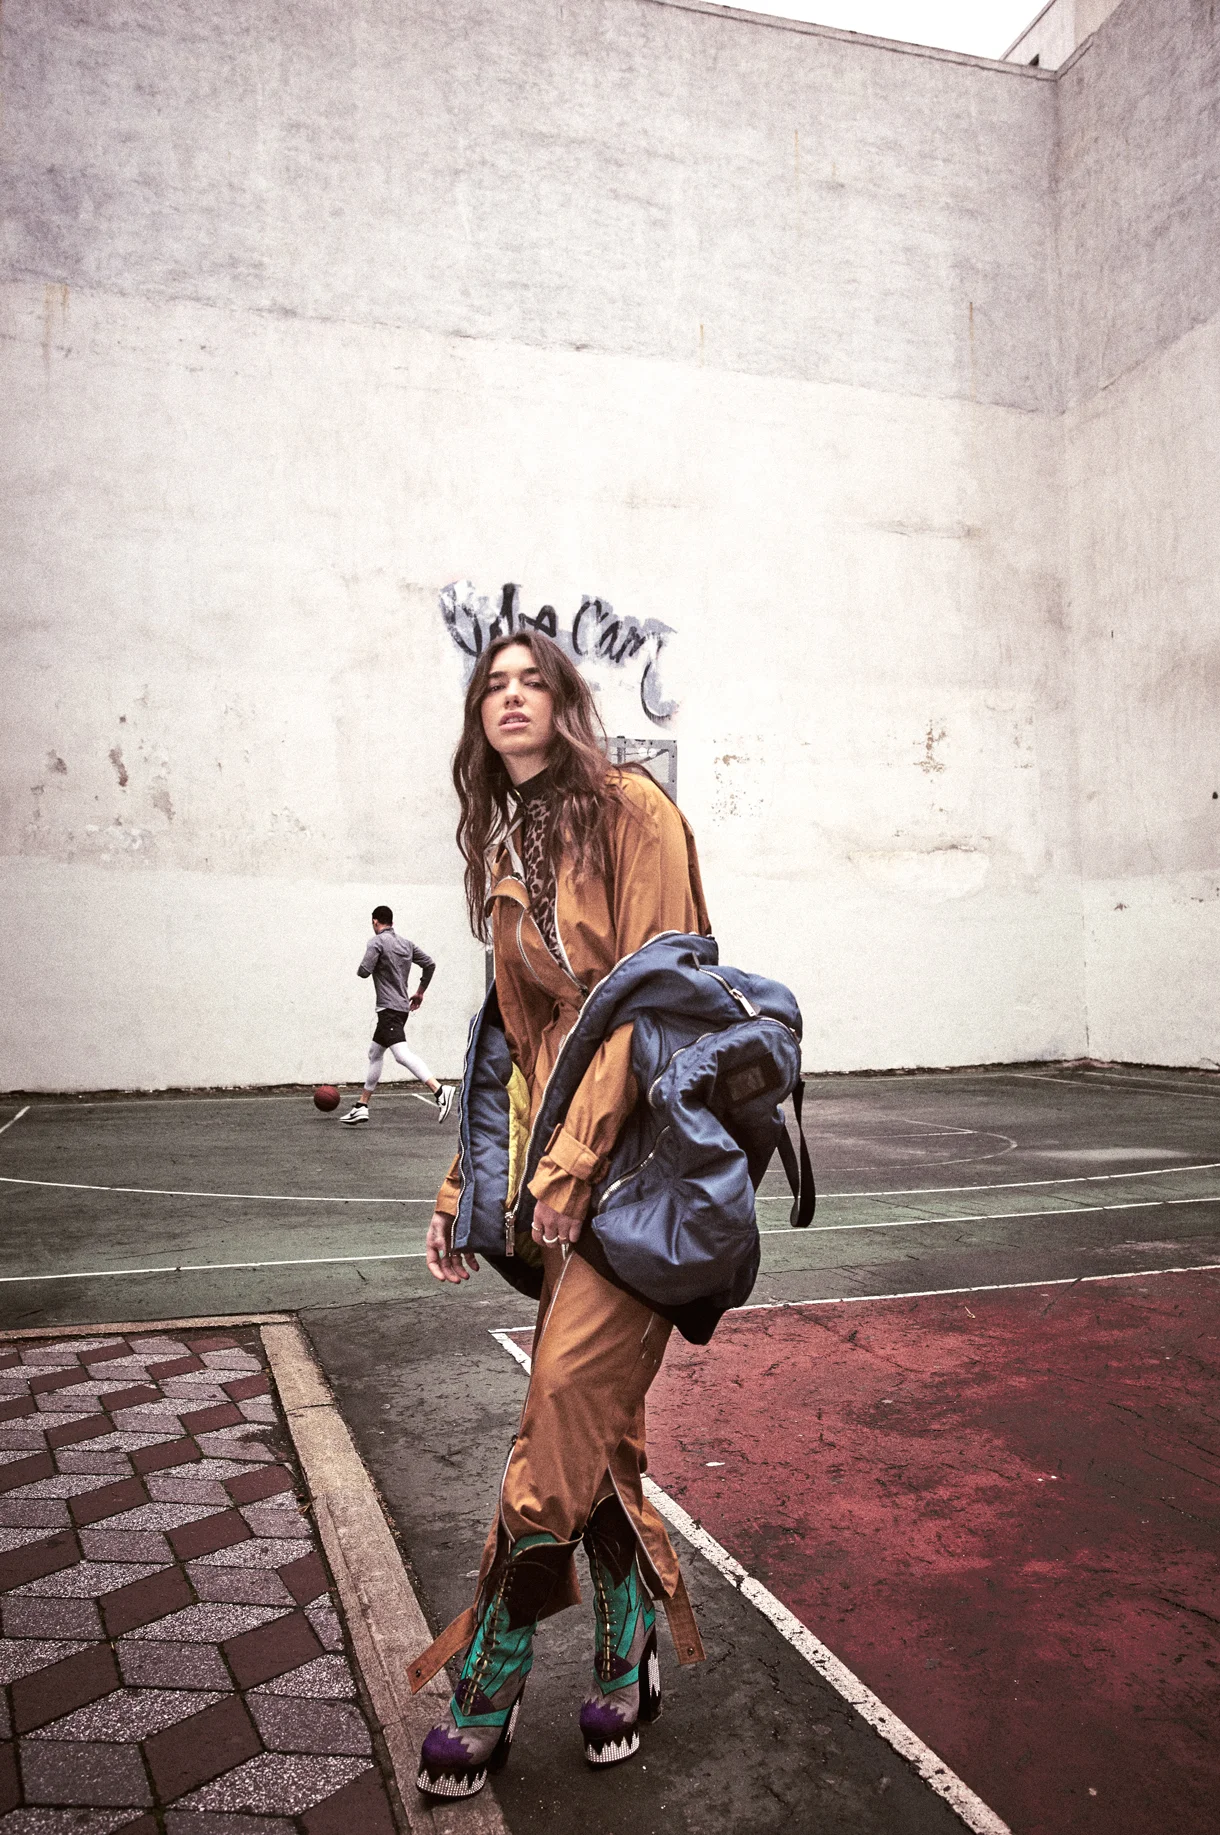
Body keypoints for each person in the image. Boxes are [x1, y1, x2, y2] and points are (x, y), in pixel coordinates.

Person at [413, 631, 710, 1800]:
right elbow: (511, 1037)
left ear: (567, 700)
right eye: (491, 683)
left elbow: (658, 993)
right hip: (554, 1185)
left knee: (556, 1417)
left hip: (644, 1173)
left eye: (530, 679)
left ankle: (487, 1671)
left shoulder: (635, 812)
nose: (509, 695)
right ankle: (626, 1642)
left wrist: (580, 1155)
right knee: (596, 1426)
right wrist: (464, 1186)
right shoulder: (508, 846)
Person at [339, 907, 453, 1125]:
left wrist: (374, 961)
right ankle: (362, 1106)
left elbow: (363, 971)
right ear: (391, 922)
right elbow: (429, 964)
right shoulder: (406, 944)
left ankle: (439, 1091)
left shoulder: (376, 942)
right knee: (375, 1053)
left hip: (388, 1009)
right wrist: (420, 992)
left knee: (401, 1054)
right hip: (400, 1008)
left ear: (375, 922)